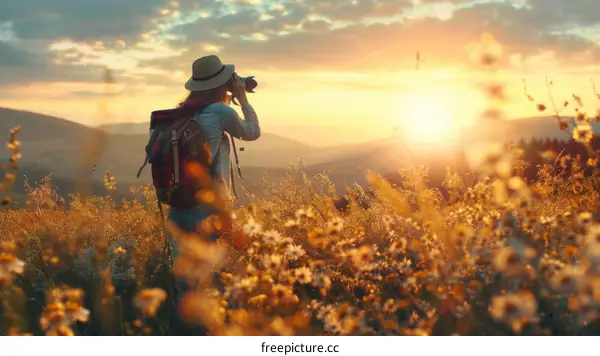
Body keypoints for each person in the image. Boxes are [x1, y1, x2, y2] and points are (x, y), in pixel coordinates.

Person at [166, 54, 261, 334]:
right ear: (222, 85)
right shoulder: (219, 113)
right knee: (213, 282)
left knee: (186, 289)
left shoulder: (181, 111)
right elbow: (252, 132)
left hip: (178, 208)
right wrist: (243, 99)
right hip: (208, 210)